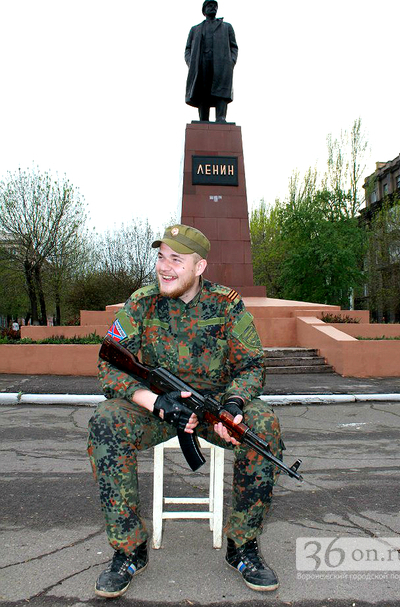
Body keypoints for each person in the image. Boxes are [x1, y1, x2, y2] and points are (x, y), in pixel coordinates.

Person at [88, 224, 284, 598]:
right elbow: (108, 362)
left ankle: (242, 546)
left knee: (263, 427)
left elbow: (252, 366)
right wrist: (154, 402)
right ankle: (129, 550)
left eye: (176, 260)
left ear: (199, 267)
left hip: (210, 407)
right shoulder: (141, 302)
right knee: (106, 422)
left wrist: (232, 407)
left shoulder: (227, 304)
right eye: (161, 257)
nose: (165, 267)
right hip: (156, 407)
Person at [185, 0, 238, 122]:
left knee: (221, 89)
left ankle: (221, 117)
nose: (212, 7)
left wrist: (231, 62)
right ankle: (203, 119)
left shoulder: (226, 27)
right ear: (203, 11)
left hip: (221, 63)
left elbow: (234, 47)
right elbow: (187, 49)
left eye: (214, 6)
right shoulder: (195, 29)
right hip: (201, 64)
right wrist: (191, 63)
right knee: (202, 90)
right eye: (209, 6)